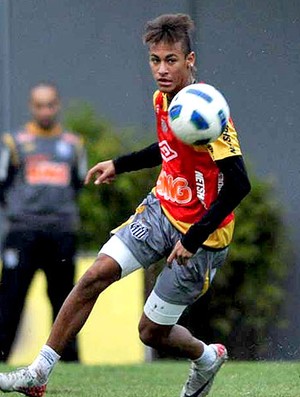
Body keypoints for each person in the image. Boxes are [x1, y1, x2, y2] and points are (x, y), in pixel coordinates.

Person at [0, 14, 251, 397]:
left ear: (190, 61)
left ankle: (205, 356)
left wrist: (195, 237)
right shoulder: (161, 99)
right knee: (95, 275)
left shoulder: (208, 112)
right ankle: (38, 373)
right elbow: (168, 149)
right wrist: (120, 163)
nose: (162, 70)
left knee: (151, 333)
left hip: (205, 234)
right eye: (155, 60)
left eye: (171, 60)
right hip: (160, 209)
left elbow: (238, 184)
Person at [0, 82, 87, 363]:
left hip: (61, 233)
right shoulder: (13, 142)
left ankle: (70, 362)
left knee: (65, 300)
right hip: (22, 233)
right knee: (10, 299)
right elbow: (3, 184)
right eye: (40, 105)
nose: (45, 110)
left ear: (57, 105)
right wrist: (21, 212)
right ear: (31, 107)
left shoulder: (74, 144)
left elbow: (78, 183)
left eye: (50, 104)